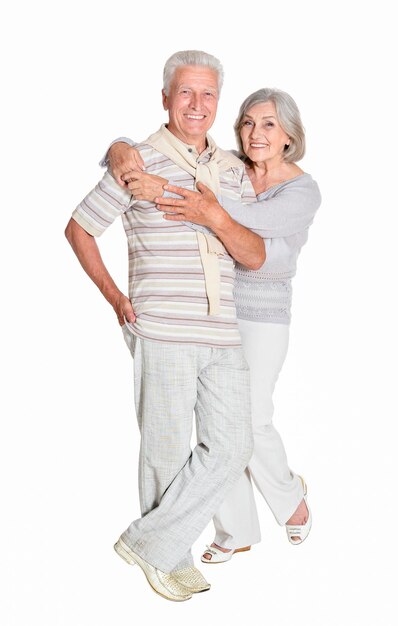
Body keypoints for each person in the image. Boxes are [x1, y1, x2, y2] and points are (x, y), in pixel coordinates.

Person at [65, 50, 266, 602]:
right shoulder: (138, 162)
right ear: (165, 99)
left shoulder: (233, 171)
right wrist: (113, 296)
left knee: (232, 445)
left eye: (207, 95)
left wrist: (216, 216)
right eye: (185, 93)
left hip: (222, 330)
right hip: (163, 328)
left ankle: (147, 542)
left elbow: (254, 255)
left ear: (218, 102)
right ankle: (169, 559)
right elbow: (80, 229)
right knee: (166, 449)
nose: (196, 105)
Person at [105, 87, 321, 564]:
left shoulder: (301, 189)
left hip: (263, 316)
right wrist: (119, 147)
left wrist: (204, 208)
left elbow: (257, 240)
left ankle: (291, 499)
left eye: (268, 124)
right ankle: (235, 529)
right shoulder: (231, 172)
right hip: (212, 311)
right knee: (217, 429)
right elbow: (179, 153)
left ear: (289, 135)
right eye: (247, 122)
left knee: (251, 419)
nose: (255, 132)